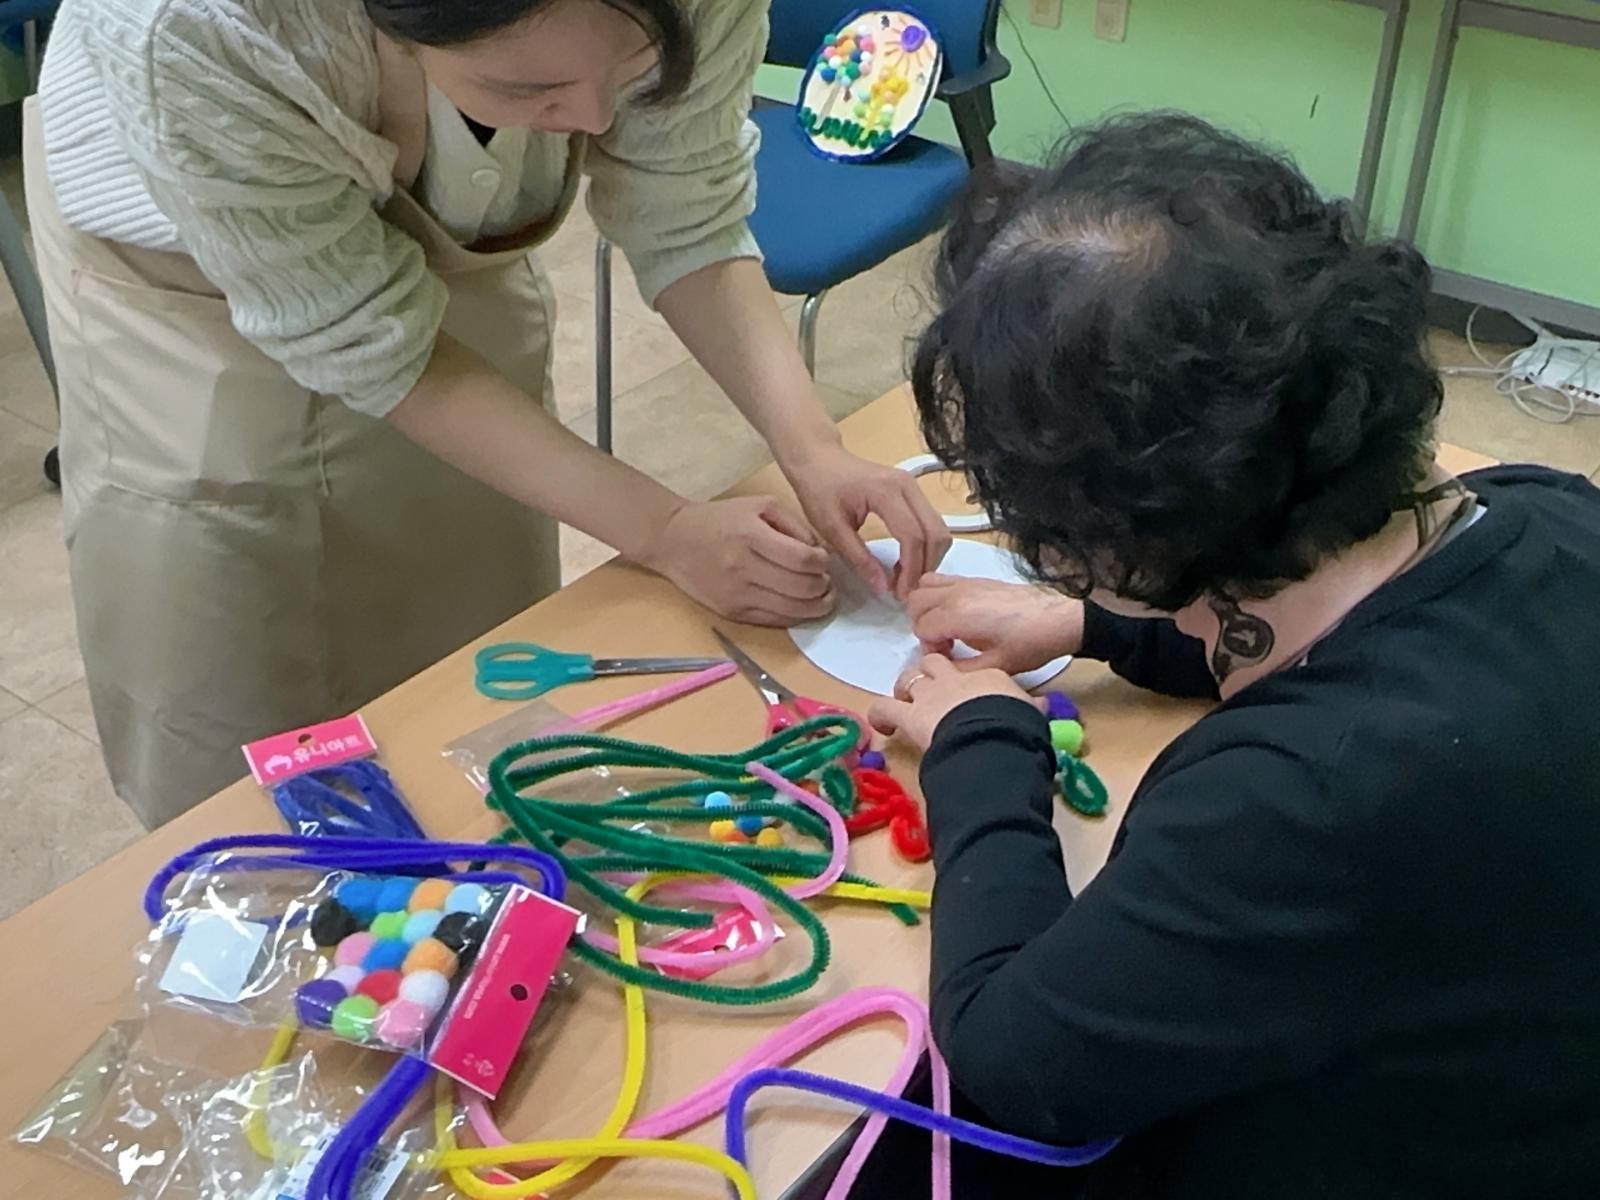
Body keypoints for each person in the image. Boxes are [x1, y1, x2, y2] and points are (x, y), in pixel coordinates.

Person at [864, 113, 1600, 1197]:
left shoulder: (1298, 799)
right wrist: (1099, 628)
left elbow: (1014, 1064)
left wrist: (983, 747)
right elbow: (1340, 630)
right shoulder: (1546, 509)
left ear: (1098, 527)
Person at [26, 0, 949, 826]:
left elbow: (688, 210)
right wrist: (665, 528)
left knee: (470, 625)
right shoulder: (194, 26)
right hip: (187, 282)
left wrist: (813, 447)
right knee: (238, 654)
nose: (595, 123)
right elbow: (365, 338)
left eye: (631, 70)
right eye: (529, 88)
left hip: (435, 238)